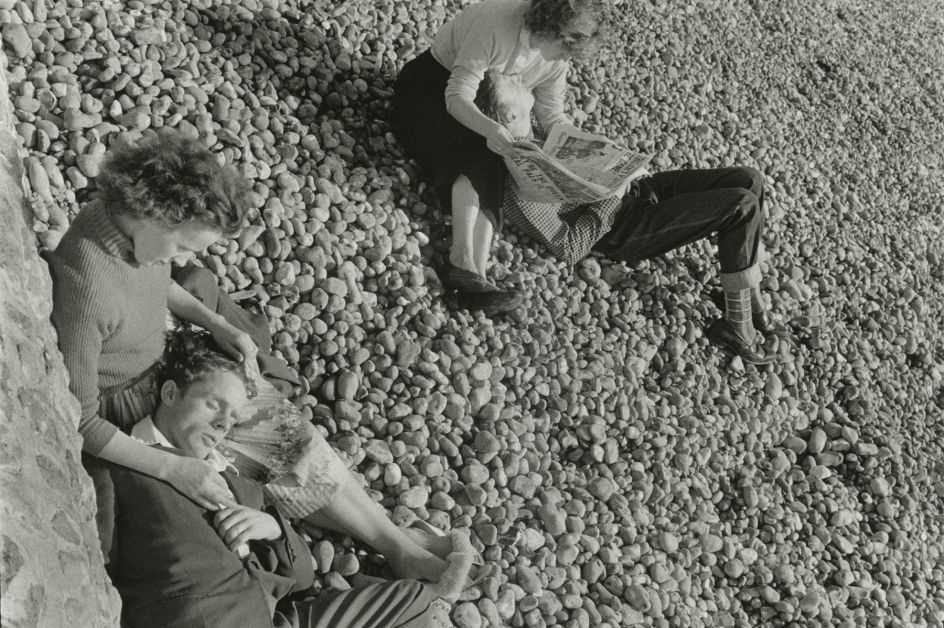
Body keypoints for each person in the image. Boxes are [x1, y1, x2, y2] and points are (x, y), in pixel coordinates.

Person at [46, 129, 454, 580]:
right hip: (133, 403)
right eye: (184, 245)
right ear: (153, 213)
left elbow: (158, 283)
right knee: (269, 442)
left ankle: (392, 540)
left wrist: (217, 324)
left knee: (281, 431)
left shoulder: (125, 226)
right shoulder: (87, 286)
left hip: (159, 368)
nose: (182, 257)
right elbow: (81, 421)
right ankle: (393, 544)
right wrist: (171, 468)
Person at [101, 329, 474, 628]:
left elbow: (302, 576)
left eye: (231, 418)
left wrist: (273, 529)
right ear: (168, 394)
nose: (222, 425)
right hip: (213, 617)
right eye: (215, 407)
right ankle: (398, 545)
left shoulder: (234, 474)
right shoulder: (126, 467)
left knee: (411, 599)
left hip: (275, 612)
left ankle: (396, 544)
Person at [476, 70, 785, 364]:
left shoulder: (536, 132)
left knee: (749, 178)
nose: (517, 77)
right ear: (509, 116)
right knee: (740, 206)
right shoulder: (517, 187)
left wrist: (617, 163)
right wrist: (612, 197)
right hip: (621, 227)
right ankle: (738, 325)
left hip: (638, 189)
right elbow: (570, 246)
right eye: (509, 82)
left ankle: (748, 297)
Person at [392, 0, 606, 314]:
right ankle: (463, 263)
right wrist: (492, 131)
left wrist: (593, 152)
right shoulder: (495, 24)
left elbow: (553, 117)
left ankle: (473, 274)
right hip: (430, 92)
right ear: (552, 28)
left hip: (488, 104)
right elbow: (457, 95)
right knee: (481, 150)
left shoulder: (557, 56)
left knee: (502, 157)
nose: (567, 56)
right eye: (567, 46)